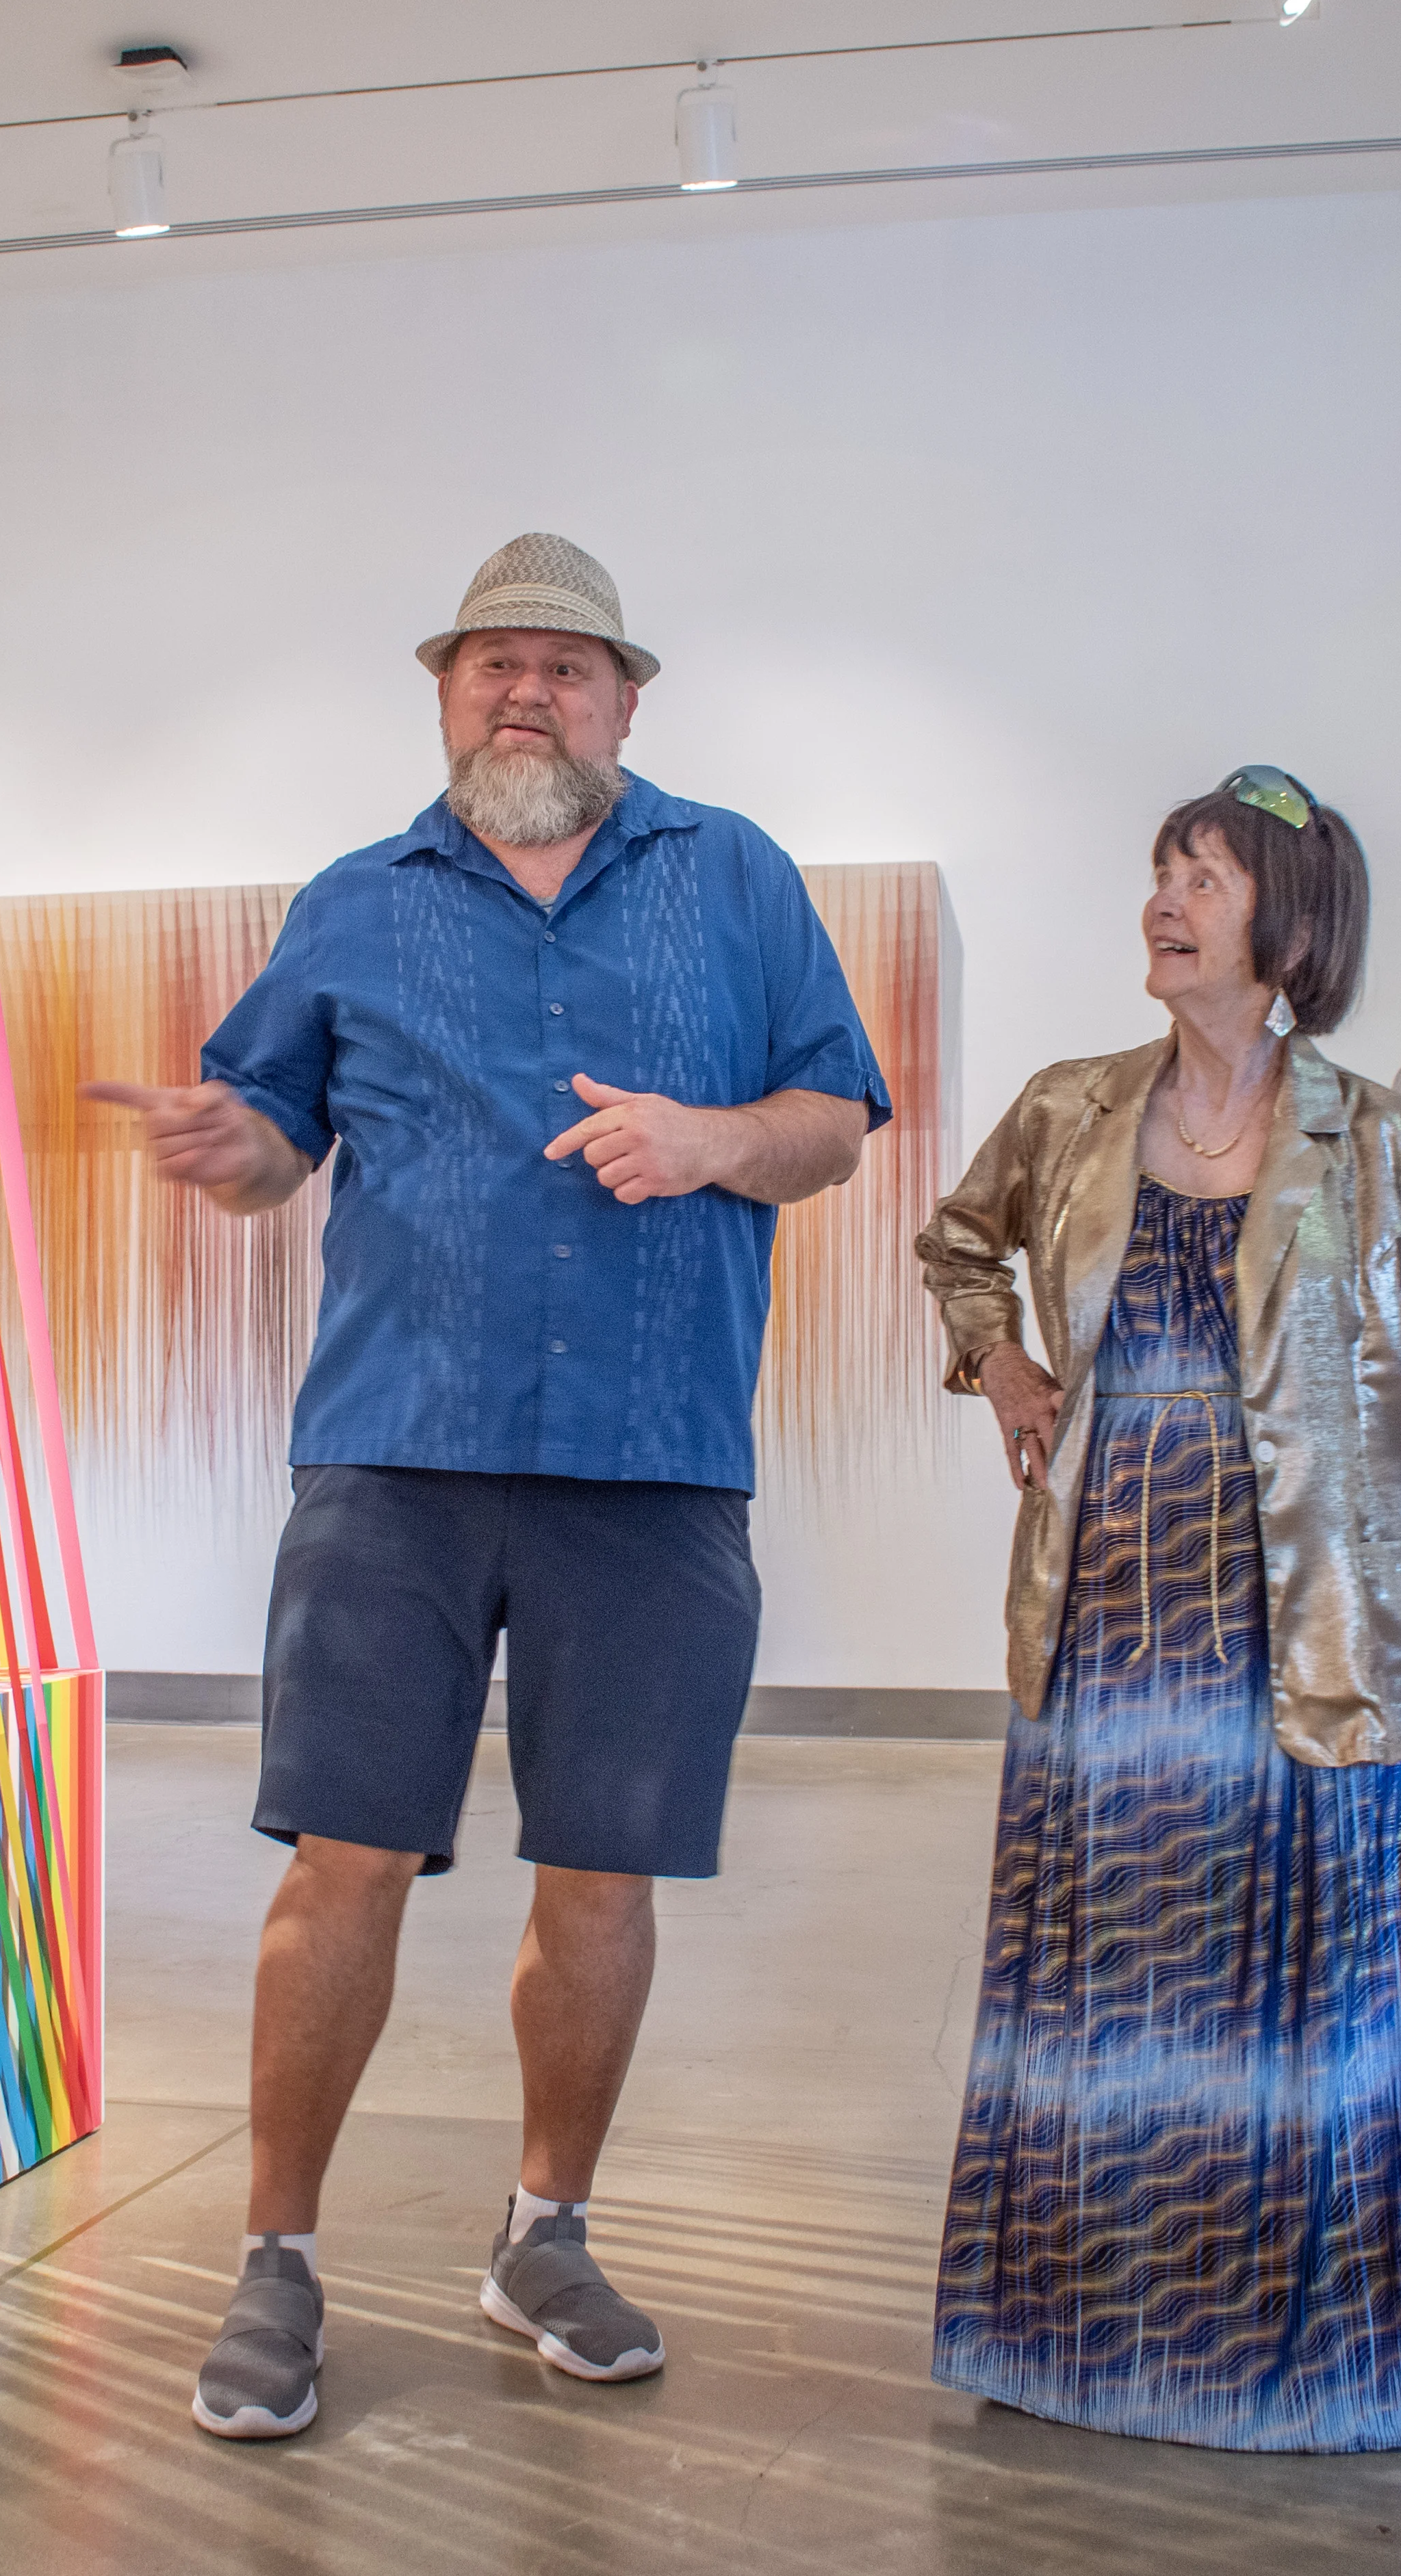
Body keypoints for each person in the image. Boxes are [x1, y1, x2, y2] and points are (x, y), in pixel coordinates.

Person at [89, 532, 888, 2444]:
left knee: (599, 1872)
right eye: (489, 663)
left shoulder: (737, 881)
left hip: (650, 1462)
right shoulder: (356, 904)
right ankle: (275, 2254)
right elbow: (278, 1133)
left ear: (628, 698)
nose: (522, 690)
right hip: (392, 1461)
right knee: (342, 1855)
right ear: (443, 691)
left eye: (563, 663)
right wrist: (235, 1145)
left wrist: (712, 1137)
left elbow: (836, 1118)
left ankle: (544, 2226)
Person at [914, 766, 1401, 2454]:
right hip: (1110, 1628)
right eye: (1159, 869)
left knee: (1309, 2008)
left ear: (1288, 918)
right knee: (1106, 1999)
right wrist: (1003, 1368)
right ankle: (1082, 2354)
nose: (1164, 898)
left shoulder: (1382, 1138)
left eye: (1200, 874)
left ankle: (1301, 2374)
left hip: (1322, 1633)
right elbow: (957, 1247)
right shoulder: (1071, 1109)